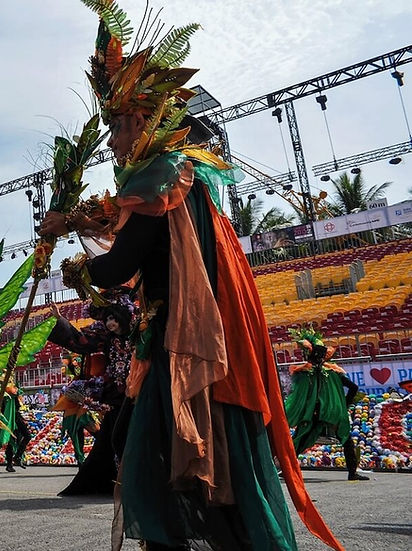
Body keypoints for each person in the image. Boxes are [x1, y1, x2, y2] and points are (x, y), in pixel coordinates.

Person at [38, 2, 342, 549]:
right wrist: (75, 222)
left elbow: (121, 263)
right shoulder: (179, 174)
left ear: (141, 120)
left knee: (153, 455)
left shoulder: (160, 174)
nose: (111, 141)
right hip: (174, 340)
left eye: (115, 127)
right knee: (162, 454)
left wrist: (77, 268)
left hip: (179, 345)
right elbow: (133, 230)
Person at [47, 289, 134, 496]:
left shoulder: (140, 332)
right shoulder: (106, 338)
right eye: (108, 319)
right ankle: (121, 479)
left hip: (139, 392)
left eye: (114, 319)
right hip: (115, 394)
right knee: (115, 437)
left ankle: (137, 479)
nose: (110, 323)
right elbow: (81, 342)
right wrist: (60, 320)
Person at [283, 326, 368, 481]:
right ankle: (352, 472)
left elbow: (297, 395)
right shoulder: (332, 371)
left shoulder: (304, 373)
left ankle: (287, 469)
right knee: (346, 440)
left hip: (314, 413)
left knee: (300, 438)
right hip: (333, 414)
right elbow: (354, 388)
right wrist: (344, 404)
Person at [0, 382, 31, 473]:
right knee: (16, 439)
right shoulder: (6, 394)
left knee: (16, 439)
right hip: (10, 418)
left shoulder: (9, 394)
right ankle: (14, 460)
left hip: (14, 417)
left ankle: (15, 459)